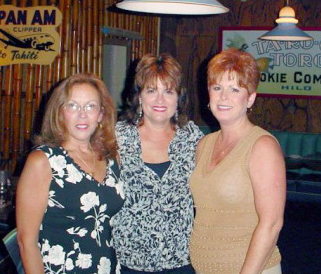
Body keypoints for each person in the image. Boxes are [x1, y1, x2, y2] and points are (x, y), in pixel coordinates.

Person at [189, 48, 286, 274]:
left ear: (250, 97)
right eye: (217, 88)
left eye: (234, 89)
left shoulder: (262, 146)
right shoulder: (205, 144)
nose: (224, 97)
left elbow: (271, 224)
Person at [16, 73, 125, 274]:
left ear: (101, 114)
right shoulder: (43, 161)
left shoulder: (111, 157)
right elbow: (26, 241)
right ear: (59, 113)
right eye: (72, 106)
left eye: (90, 106)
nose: (82, 114)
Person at [112, 53, 203, 273]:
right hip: (129, 261)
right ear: (139, 96)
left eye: (168, 91)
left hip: (182, 260)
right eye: (151, 90)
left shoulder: (192, 137)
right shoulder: (116, 138)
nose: (160, 100)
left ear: (178, 98)